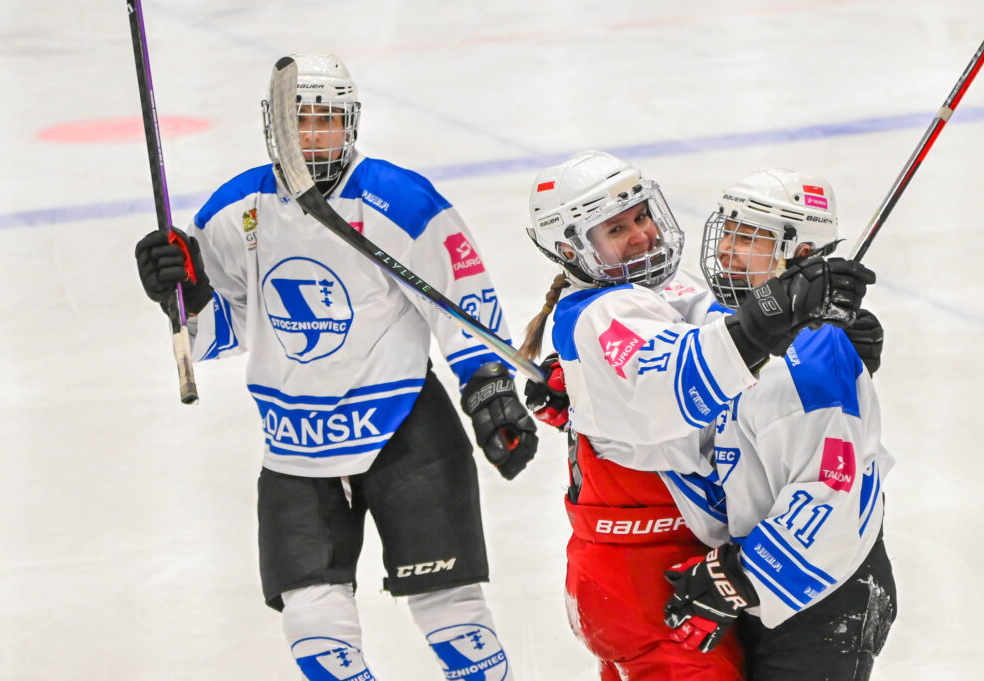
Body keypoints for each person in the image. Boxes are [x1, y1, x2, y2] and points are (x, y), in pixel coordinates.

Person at [134, 53, 537, 680]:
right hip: (294, 445)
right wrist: (184, 297)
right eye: (299, 120)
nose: (312, 135)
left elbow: (462, 298)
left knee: (452, 616)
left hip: (404, 429)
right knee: (313, 629)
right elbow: (221, 334)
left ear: (349, 123)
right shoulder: (233, 211)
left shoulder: (398, 198)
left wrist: (489, 388)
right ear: (274, 125)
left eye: (325, 119)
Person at [518, 150, 878, 681]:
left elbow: (709, 322)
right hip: (646, 577)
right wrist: (779, 312)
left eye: (641, 216)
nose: (641, 235)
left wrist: (808, 323)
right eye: (616, 229)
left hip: (659, 572)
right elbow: (679, 376)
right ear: (571, 248)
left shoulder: (655, 291)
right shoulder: (606, 311)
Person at [661, 168, 897, 681]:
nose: (726, 249)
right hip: (771, 589)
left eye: (748, 238)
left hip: (825, 601)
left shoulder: (812, 365)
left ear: (800, 253)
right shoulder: (733, 320)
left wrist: (737, 578)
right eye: (727, 230)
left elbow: (831, 495)